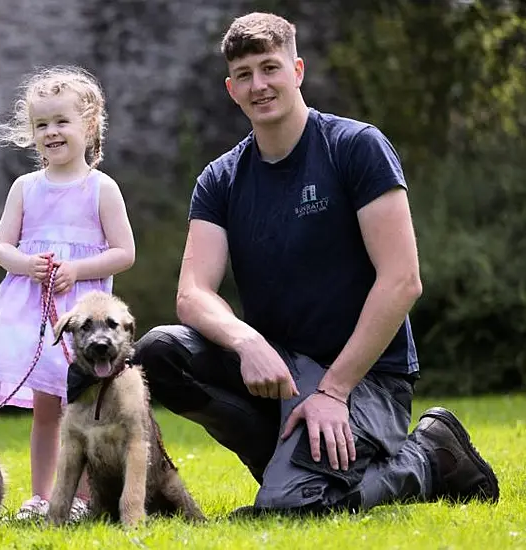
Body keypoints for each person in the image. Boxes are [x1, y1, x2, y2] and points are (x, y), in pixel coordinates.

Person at [133, 12, 499, 516]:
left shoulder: (356, 147)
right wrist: (247, 341)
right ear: (231, 88)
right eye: (245, 75)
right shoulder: (220, 179)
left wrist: (334, 390)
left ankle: (431, 454)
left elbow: (402, 281)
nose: (259, 85)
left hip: (366, 378)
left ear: (297, 71)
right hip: (277, 371)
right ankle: (293, 463)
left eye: (270, 68)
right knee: (159, 352)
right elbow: (192, 293)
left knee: (294, 509)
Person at [0, 65, 136, 521]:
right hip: (33, 317)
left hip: (81, 323)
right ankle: (42, 496)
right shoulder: (25, 189)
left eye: (62, 122)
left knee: (83, 410)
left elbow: (124, 252)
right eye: (42, 125)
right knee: (46, 410)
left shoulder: (102, 188)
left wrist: (77, 269)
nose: (51, 132)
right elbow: (1, 247)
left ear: (89, 125)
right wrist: (27, 265)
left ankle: (79, 499)